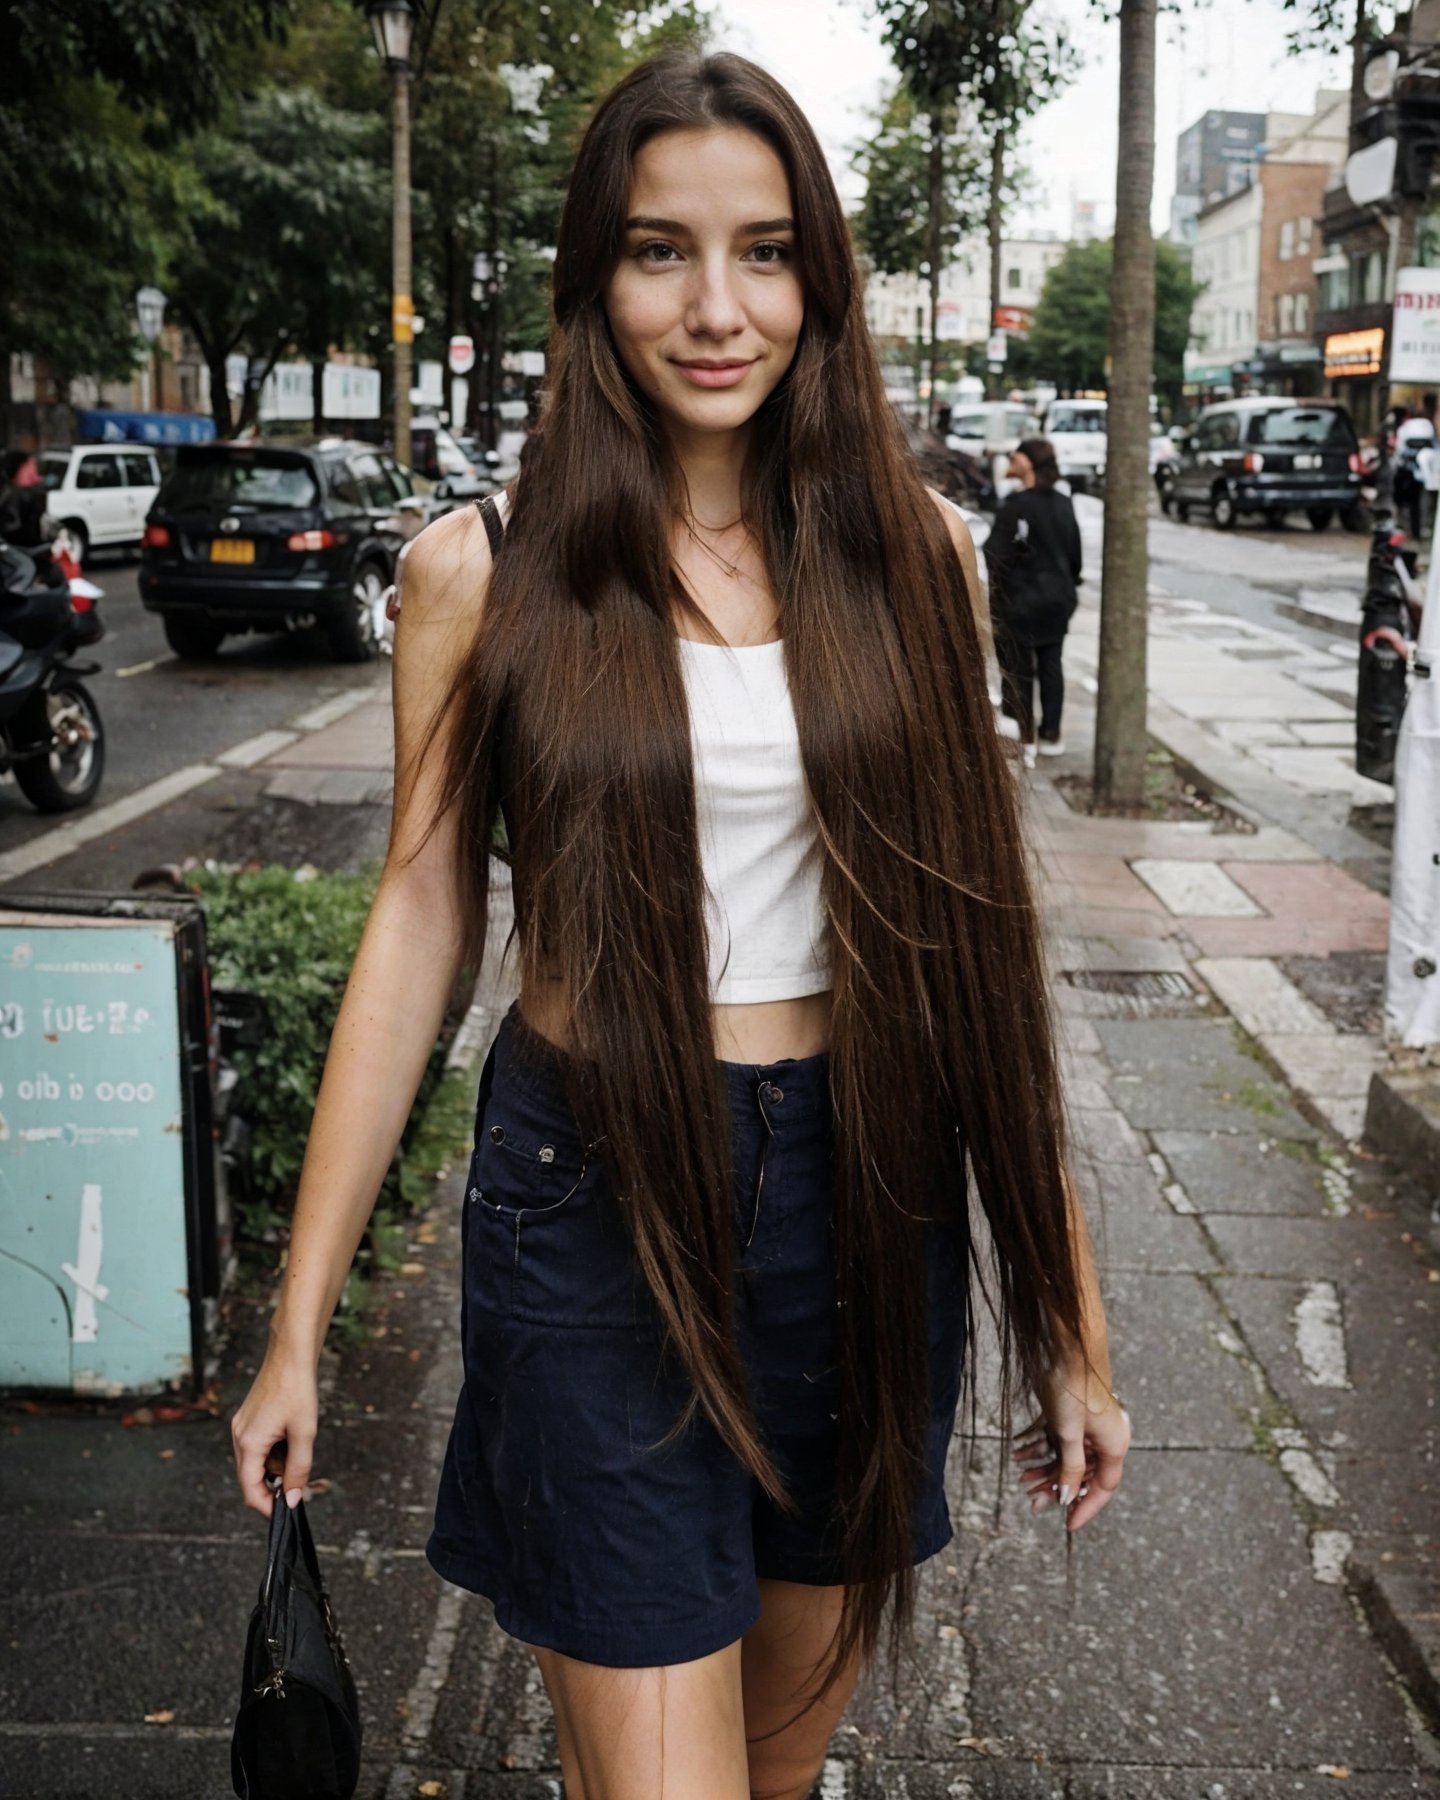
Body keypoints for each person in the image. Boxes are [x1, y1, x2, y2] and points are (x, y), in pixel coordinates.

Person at [230, 51, 1128, 1800]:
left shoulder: (917, 562)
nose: (718, 308)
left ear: (824, 281)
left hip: (864, 1206)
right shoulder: (480, 571)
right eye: (659, 251)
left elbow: (977, 959)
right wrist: (299, 1318)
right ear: (592, 275)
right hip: (593, 1195)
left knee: (771, 1777)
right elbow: (420, 917)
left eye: (767, 251)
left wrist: (1070, 1314)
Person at [984, 436, 1082, 765]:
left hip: (1020, 601)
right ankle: (1051, 733)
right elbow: (1075, 555)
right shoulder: (1063, 503)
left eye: (1014, 457)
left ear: (1027, 463)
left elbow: (994, 556)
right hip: (1057, 599)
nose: (1008, 463)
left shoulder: (1016, 507)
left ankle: (1024, 735)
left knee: (1018, 669)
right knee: (1052, 664)